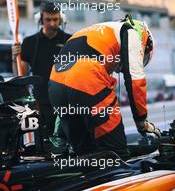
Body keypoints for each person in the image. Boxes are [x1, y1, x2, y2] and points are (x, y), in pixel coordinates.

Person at [48, 14, 160, 160]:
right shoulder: (132, 32)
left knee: (84, 154)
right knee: (116, 153)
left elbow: (69, 83)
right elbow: (135, 80)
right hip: (87, 78)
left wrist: (60, 135)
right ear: (146, 42)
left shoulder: (95, 31)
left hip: (55, 81)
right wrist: (141, 122)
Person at [12, 1, 71, 137]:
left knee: (66, 141)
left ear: (61, 19)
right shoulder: (30, 42)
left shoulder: (70, 40)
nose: (52, 23)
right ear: (40, 19)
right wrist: (15, 57)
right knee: (44, 142)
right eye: (48, 20)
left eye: (55, 19)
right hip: (41, 102)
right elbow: (20, 73)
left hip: (65, 102)